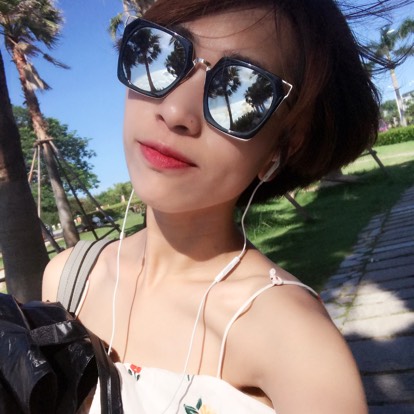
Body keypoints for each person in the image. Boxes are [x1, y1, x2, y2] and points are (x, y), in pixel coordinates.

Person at [43, 0, 380, 412]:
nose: (176, 111)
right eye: (161, 53)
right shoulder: (68, 280)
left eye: (241, 90)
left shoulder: (293, 341)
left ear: (280, 148)